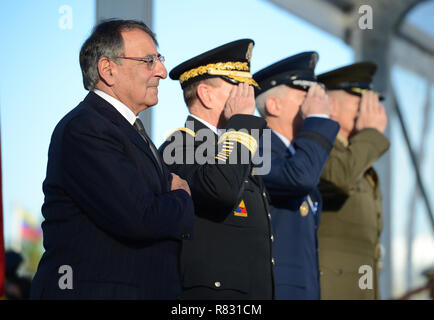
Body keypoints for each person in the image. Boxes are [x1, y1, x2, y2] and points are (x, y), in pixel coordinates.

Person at [30, 19, 194, 300]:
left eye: (159, 59)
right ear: (108, 70)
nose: (162, 72)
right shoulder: (86, 128)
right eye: (149, 60)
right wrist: (182, 196)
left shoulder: (127, 131)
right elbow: (141, 217)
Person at [159, 39, 273, 299]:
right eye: (237, 86)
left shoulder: (239, 144)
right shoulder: (179, 145)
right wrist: (242, 124)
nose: (247, 97)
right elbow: (220, 190)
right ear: (205, 94)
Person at [253, 52, 340, 299]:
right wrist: (318, 119)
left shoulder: (296, 156)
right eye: (304, 96)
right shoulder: (256, 149)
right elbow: (298, 178)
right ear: (273, 105)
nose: (314, 103)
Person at [316, 62, 390, 300]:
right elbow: (339, 178)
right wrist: (371, 135)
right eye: (360, 104)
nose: (371, 112)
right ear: (332, 106)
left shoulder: (359, 158)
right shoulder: (318, 149)